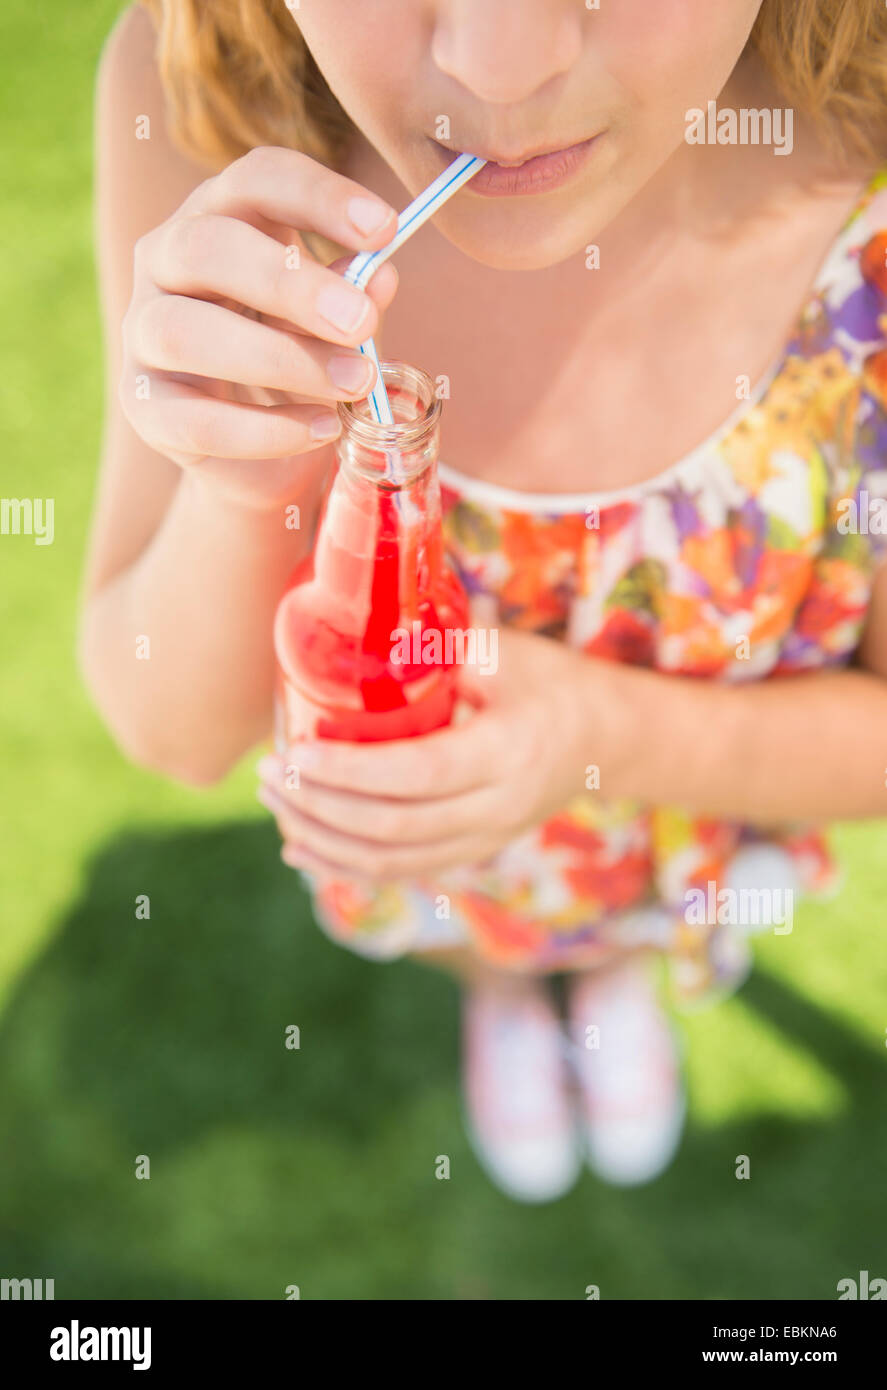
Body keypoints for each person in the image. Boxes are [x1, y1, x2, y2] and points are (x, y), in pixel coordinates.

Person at [81, 0, 887, 1201]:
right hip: (432, 866)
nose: (499, 69)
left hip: (677, 815)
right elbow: (176, 729)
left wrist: (593, 735)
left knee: (615, 924)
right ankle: (501, 991)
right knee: (465, 925)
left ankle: (607, 979)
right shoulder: (200, 92)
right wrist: (236, 484)